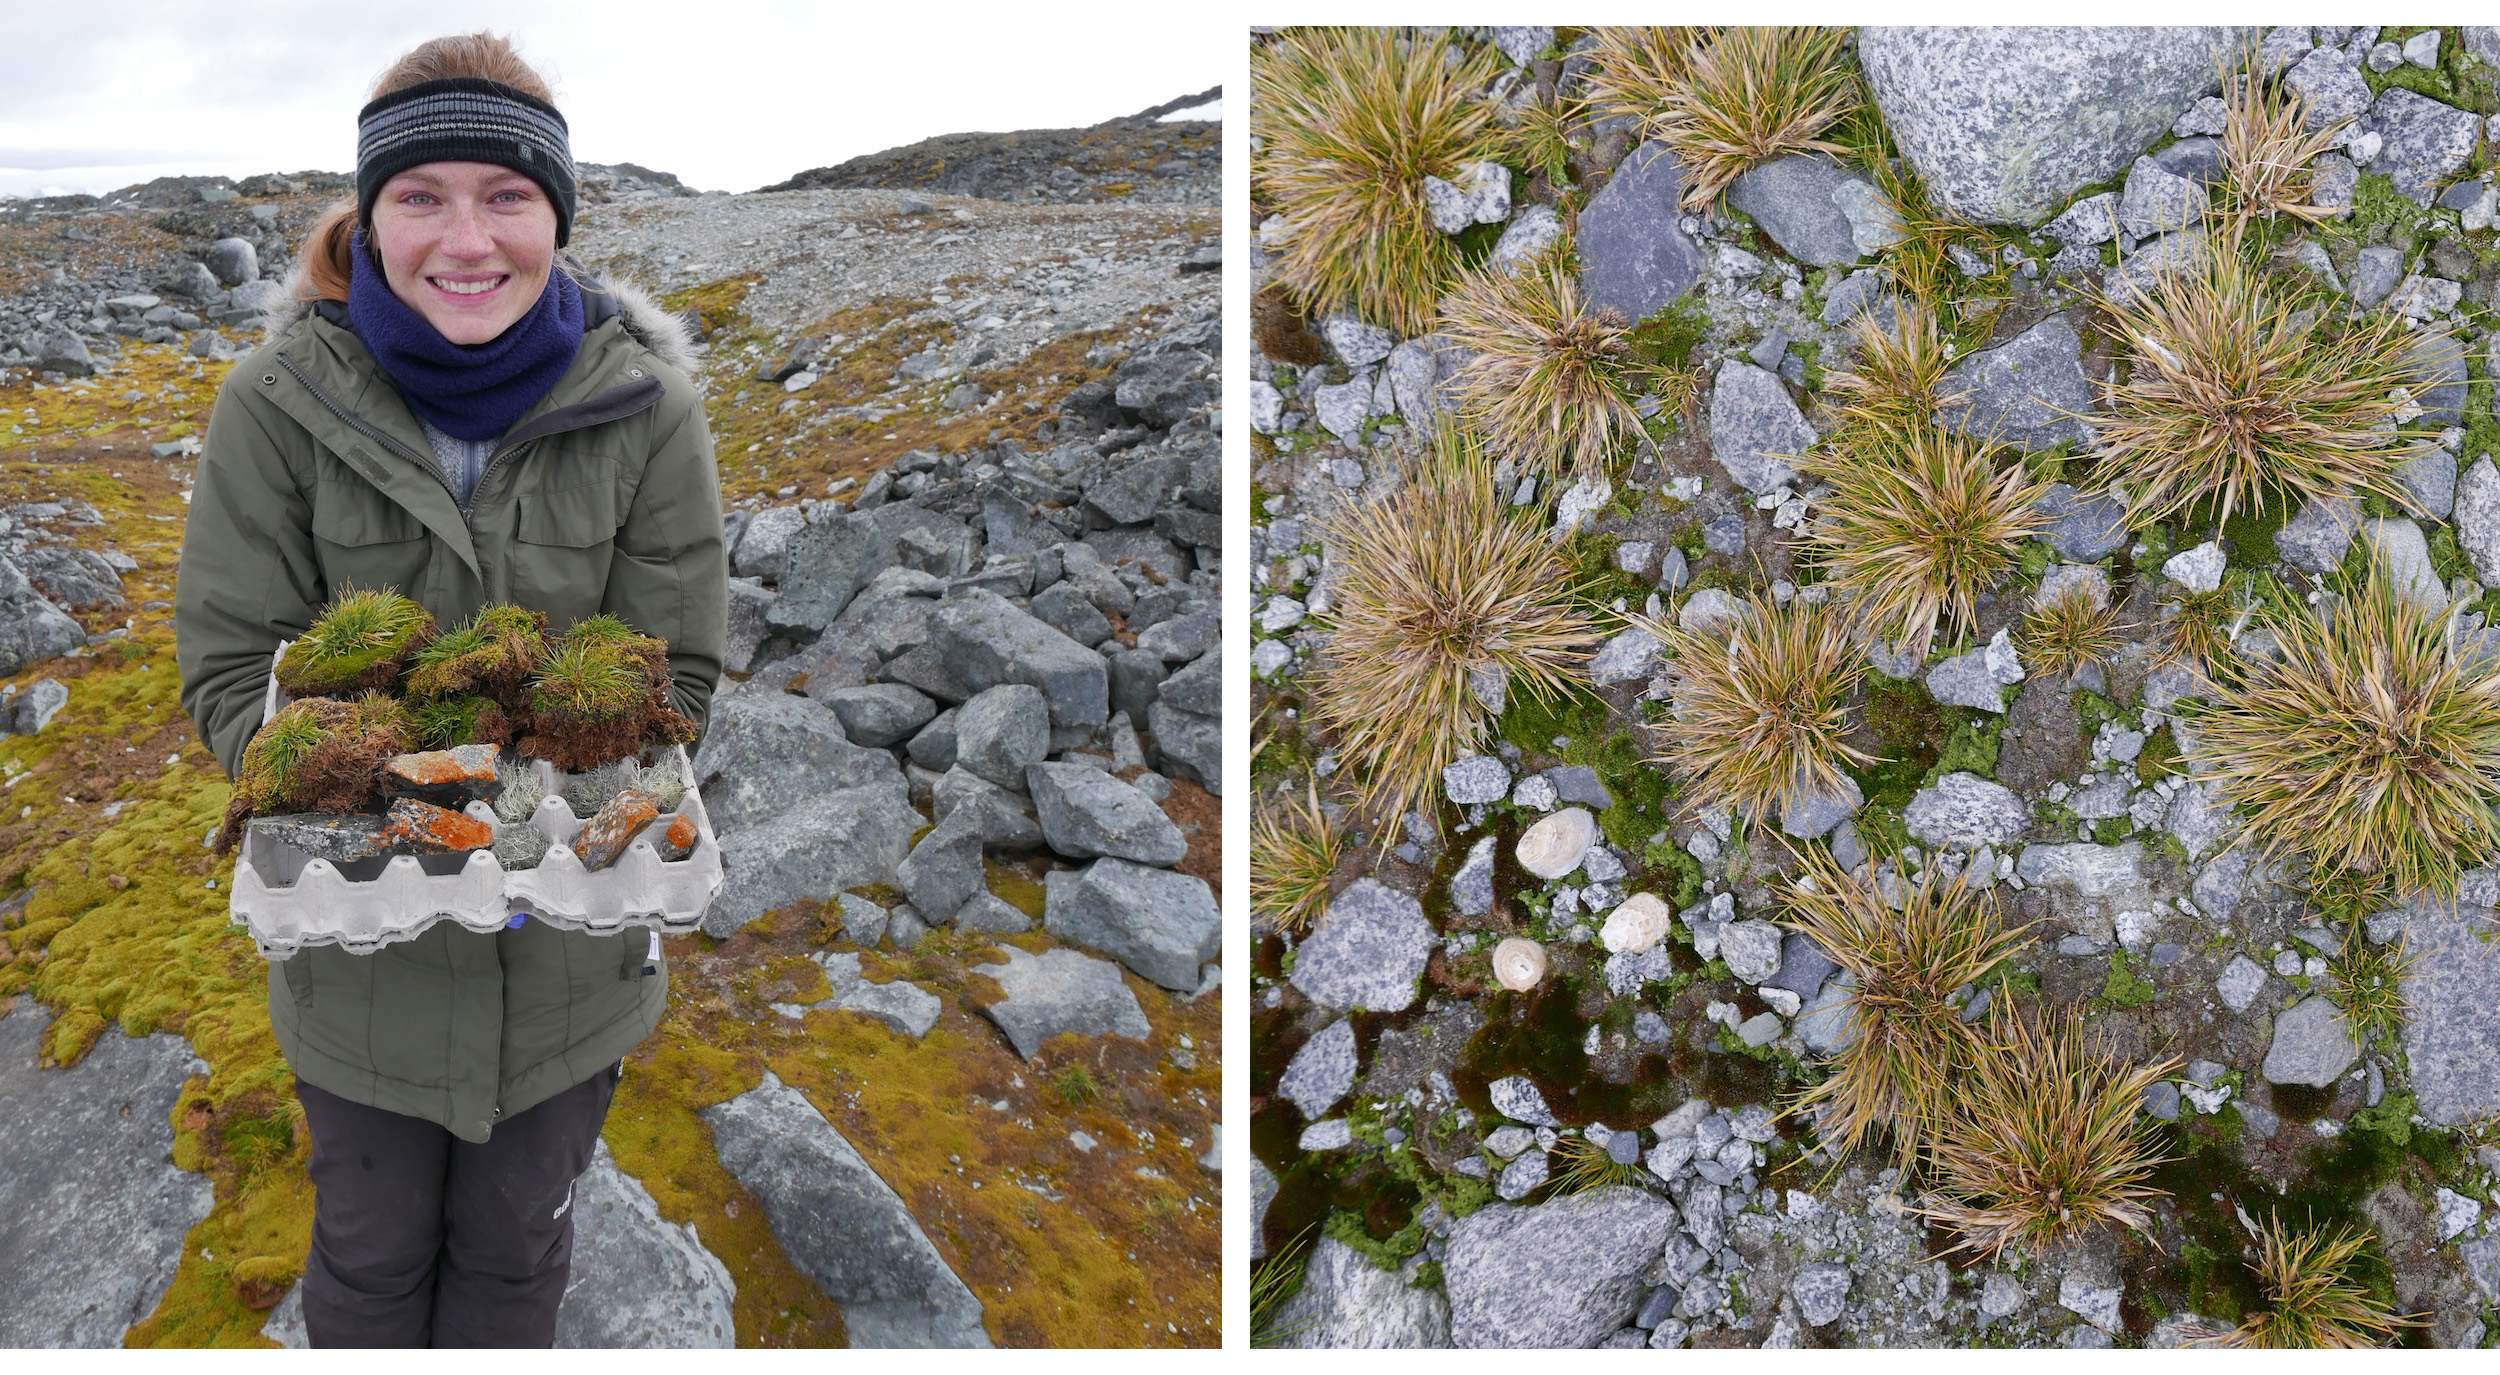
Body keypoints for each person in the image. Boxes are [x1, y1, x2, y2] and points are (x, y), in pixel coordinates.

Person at [173, 32, 726, 1348]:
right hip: (360, 977)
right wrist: (348, 765)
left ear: (557, 214)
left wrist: (550, 774)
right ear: (367, 216)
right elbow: (226, 663)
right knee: (365, 1258)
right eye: (420, 197)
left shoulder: (647, 409)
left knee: (518, 1253)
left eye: (507, 196)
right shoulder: (274, 405)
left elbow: (680, 672)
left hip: (573, 973)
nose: (465, 241)